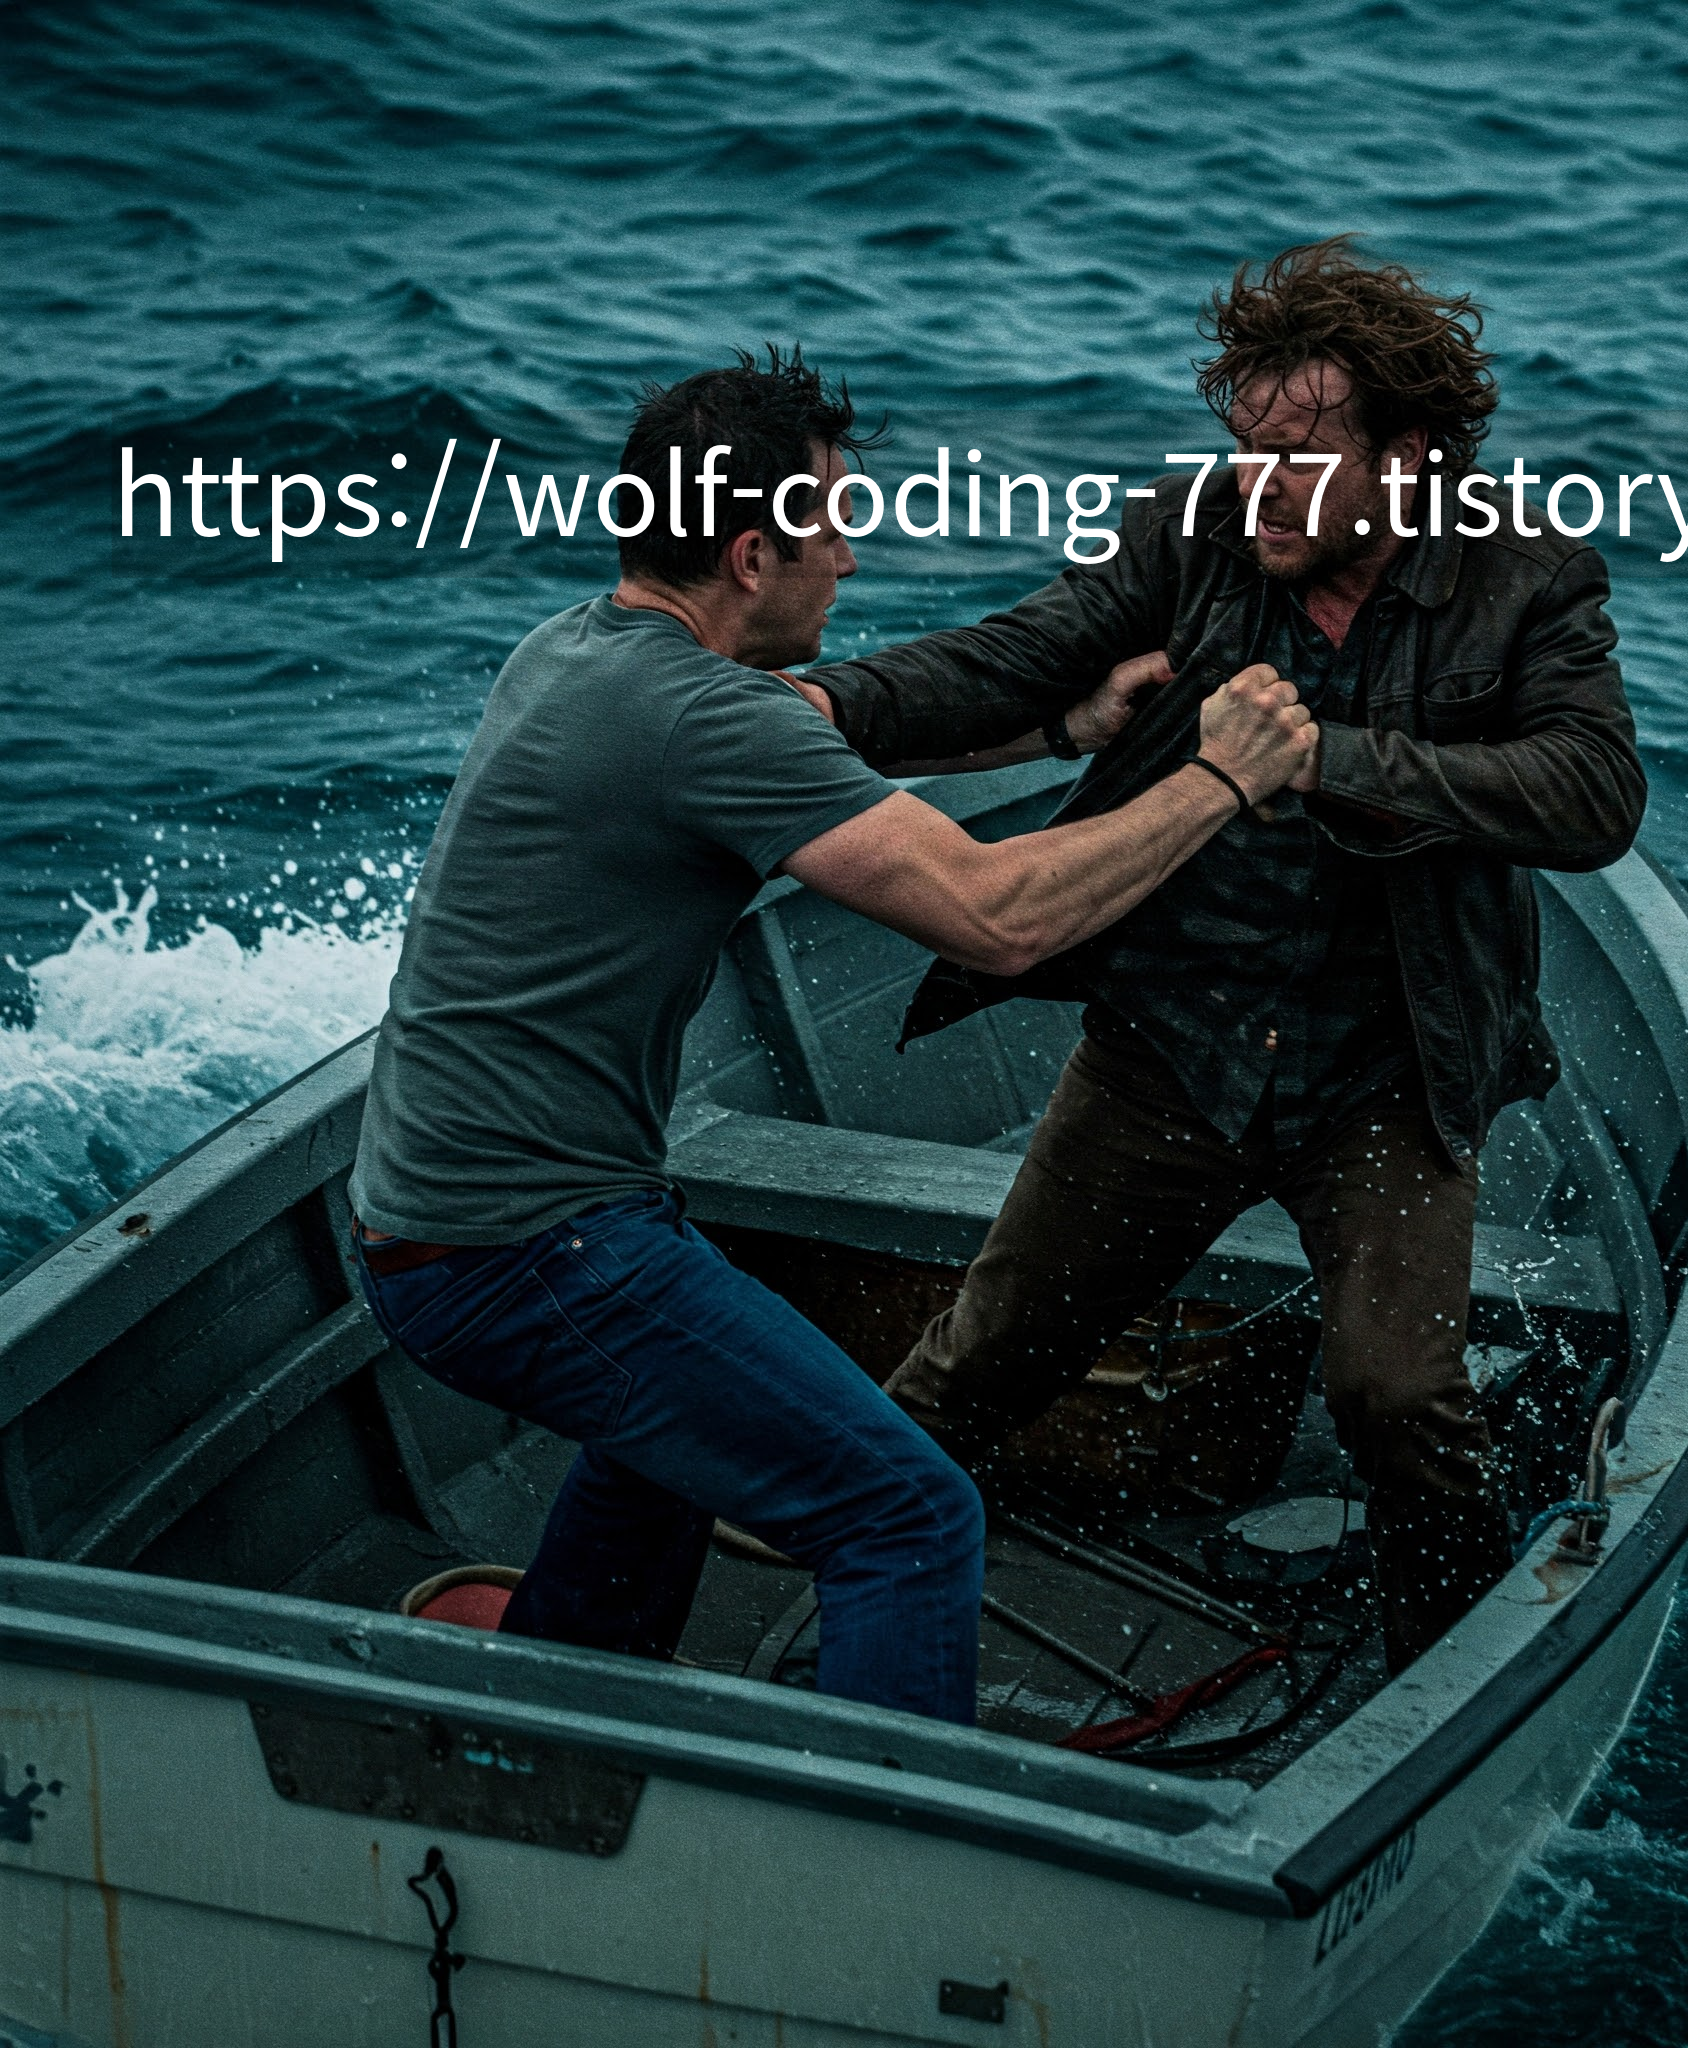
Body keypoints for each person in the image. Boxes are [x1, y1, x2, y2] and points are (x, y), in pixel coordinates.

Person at [346, 348, 1317, 1725]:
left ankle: (572, 1670)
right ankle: (885, 1835)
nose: (851, 560)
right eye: (833, 525)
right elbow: (998, 919)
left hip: (436, 1219)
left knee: (675, 1421)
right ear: (752, 556)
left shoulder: (578, 650)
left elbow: (807, 757)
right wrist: (1221, 774)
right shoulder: (699, 716)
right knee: (908, 1515)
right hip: (523, 1252)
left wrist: (1059, 729)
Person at [804, 240, 1648, 1671]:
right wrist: (821, 708)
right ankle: (826, 1576)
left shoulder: (1527, 579)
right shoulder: (1192, 528)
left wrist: (1324, 760)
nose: (1258, 482)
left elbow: (1594, 792)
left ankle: (1444, 1674)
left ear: (1409, 459)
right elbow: (1019, 656)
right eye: (1246, 445)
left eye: (1299, 457)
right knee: (981, 1360)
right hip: (1172, 1041)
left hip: (1388, 1070)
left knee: (1398, 1399)